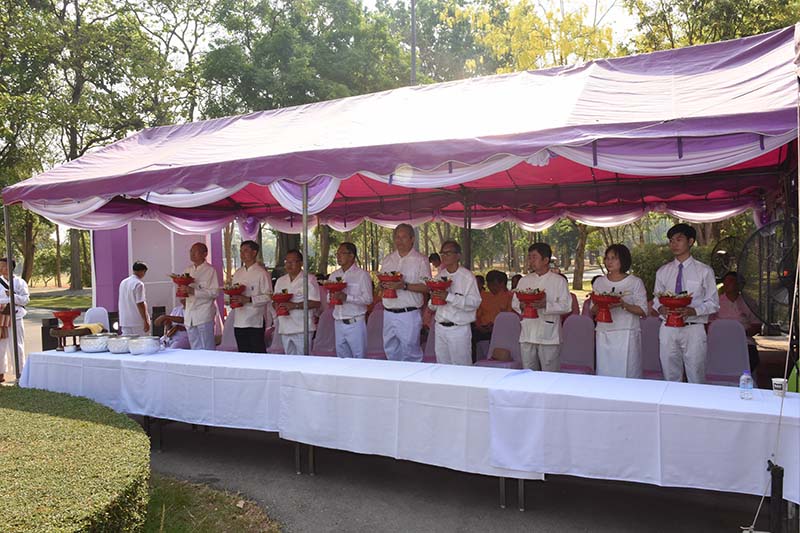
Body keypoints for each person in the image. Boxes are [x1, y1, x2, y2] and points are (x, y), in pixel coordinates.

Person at [653, 223, 719, 383]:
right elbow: (656, 298)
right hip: (668, 327)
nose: (674, 244)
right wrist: (661, 308)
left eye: (678, 239)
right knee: (670, 375)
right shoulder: (663, 271)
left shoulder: (704, 271)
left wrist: (693, 311)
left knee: (696, 375)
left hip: (693, 328)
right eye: (671, 241)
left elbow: (714, 303)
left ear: (690, 241)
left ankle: (696, 399)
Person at [512, 243, 571, 371]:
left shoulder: (558, 281)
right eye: (529, 257)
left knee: (549, 373)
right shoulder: (524, 280)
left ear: (545, 260)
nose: (531, 261)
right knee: (528, 372)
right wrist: (522, 306)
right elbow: (515, 303)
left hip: (549, 335)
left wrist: (546, 305)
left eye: (534, 257)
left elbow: (566, 306)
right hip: (528, 333)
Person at [591, 244, 647, 378]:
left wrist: (623, 305)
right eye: (607, 258)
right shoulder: (599, 282)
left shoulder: (635, 282)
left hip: (626, 333)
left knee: (628, 373)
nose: (609, 262)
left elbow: (643, 310)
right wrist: (603, 305)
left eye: (614, 258)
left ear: (623, 259)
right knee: (605, 373)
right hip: (604, 333)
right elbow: (593, 310)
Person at [379, 223, 431, 362]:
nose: (399, 241)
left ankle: (413, 376)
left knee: (411, 353)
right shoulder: (388, 259)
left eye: (403, 237)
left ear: (412, 239)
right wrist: (383, 285)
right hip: (388, 312)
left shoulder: (421, 260)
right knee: (390, 351)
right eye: (397, 237)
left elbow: (427, 287)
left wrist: (404, 286)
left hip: (409, 314)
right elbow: (382, 281)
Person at [428, 240, 481, 365]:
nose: (444, 256)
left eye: (448, 253)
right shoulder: (439, 276)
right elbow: (432, 306)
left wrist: (449, 297)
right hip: (440, 327)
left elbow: (475, 302)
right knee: (442, 366)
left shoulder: (467, 277)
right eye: (442, 253)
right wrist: (434, 299)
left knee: (461, 368)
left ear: (458, 255)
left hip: (458, 329)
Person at [328, 242, 372, 358]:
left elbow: (368, 299)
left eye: (342, 253)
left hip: (355, 322)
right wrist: (332, 297)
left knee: (359, 358)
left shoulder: (362, 275)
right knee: (342, 359)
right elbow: (328, 298)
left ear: (351, 255)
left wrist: (347, 297)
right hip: (338, 322)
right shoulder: (333, 275)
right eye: (337, 254)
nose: (338, 256)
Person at [711, 271, 761, 372]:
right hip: (721, 341)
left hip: (744, 341)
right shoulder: (715, 303)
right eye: (726, 281)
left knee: (751, 358)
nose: (727, 284)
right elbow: (708, 324)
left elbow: (756, 325)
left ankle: (744, 378)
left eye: (731, 281)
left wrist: (740, 333)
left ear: (739, 284)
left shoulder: (749, 302)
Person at [273, 250, 320, 355]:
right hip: (285, 326)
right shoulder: (280, 281)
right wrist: (277, 306)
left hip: (302, 328)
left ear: (301, 263)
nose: (289, 265)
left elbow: (316, 303)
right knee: (289, 359)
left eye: (292, 262)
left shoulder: (309, 279)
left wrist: (294, 305)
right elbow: (275, 300)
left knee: (303, 359)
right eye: (287, 262)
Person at [230, 240, 272, 353]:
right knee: (243, 352)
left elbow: (268, 296)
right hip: (239, 320)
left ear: (254, 253)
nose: (242, 254)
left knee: (257, 352)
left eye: (245, 251)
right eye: (241, 251)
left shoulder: (262, 273)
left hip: (255, 320)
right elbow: (233, 290)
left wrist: (249, 299)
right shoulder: (238, 273)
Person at [183, 242, 221, 350]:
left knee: (207, 347)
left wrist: (194, 291)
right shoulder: (188, 270)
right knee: (194, 348)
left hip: (203, 314)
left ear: (205, 254)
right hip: (189, 315)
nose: (192, 254)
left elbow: (214, 293)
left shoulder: (210, 270)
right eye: (191, 251)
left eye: (195, 251)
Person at [0, 258, 29, 381]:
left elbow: (26, 300)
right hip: (1, 317)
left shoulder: (20, 282)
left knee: (17, 345)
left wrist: (13, 296)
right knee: (1, 345)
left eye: (4, 266)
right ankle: (1, 372)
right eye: (0, 266)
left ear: (11, 267)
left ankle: (20, 372)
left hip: (15, 316)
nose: (2, 268)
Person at [473, 270, 513, 356]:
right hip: (483, 330)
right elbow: (477, 315)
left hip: (502, 330)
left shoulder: (510, 297)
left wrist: (495, 326)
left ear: (502, 284)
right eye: (489, 285)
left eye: (494, 285)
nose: (492, 287)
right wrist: (479, 326)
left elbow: (510, 317)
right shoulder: (483, 296)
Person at [118, 261, 150, 335]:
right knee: (140, 341)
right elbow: (140, 303)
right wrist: (145, 320)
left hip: (125, 320)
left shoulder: (123, 282)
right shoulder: (139, 284)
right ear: (142, 271)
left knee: (127, 341)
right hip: (137, 321)